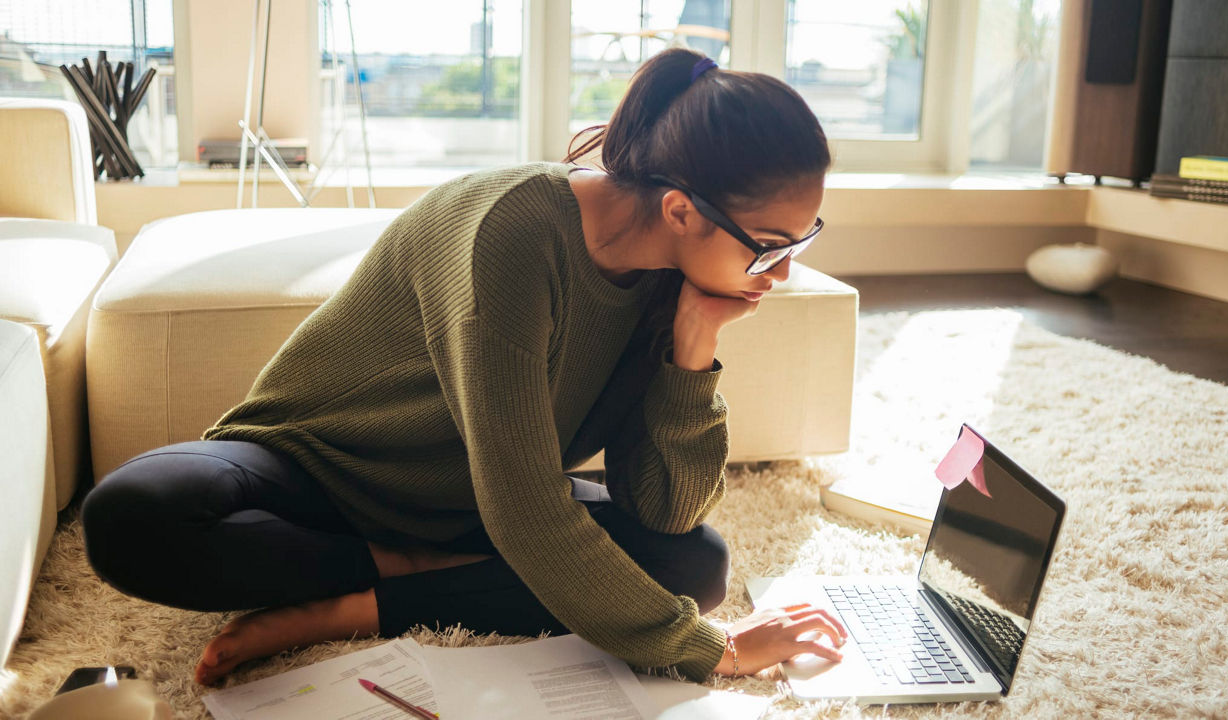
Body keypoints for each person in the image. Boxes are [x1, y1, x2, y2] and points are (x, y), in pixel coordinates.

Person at [80, 47, 847, 687]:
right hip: (319, 470)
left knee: (695, 562)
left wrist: (692, 352)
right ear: (681, 210)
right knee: (132, 515)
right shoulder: (513, 232)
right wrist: (717, 650)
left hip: (474, 503)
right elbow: (527, 512)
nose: (779, 275)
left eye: (800, 241)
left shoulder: (677, 285)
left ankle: (357, 604)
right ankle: (410, 570)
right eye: (769, 245)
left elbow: (663, 512)